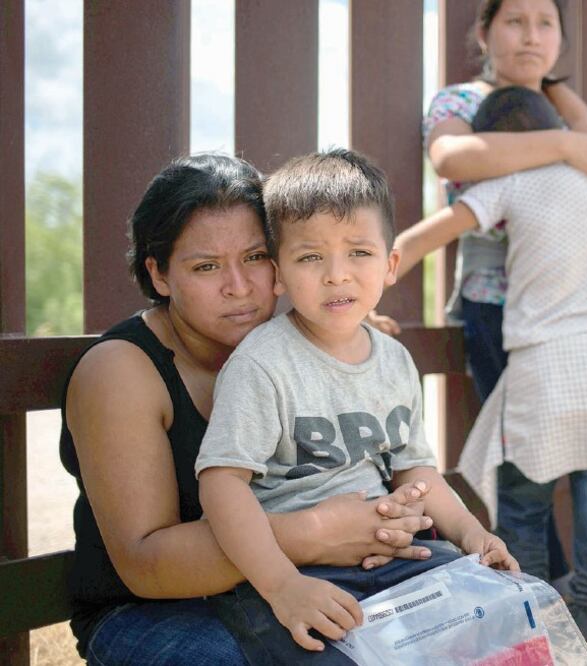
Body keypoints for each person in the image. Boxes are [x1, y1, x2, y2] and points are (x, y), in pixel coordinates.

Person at [59, 154, 435, 665]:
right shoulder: (121, 371)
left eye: (256, 257)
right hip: (154, 611)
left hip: (296, 583)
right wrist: (320, 532)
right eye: (206, 266)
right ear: (160, 274)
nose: (238, 287)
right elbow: (144, 566)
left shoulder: (305, 349)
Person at [195, 149, 518, 662]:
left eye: (359, 253)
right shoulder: (263, 363)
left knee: (499, 623)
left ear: (391, 265)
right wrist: (281, 587)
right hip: (298, 572)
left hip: (395, 557)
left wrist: (473, 534)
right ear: (278, 274)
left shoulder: (394, 360)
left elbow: (415, 469)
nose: (336, 275)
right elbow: (221, 483)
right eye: (309, 257)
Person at [399, 85, 587, 664]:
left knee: (524, 506)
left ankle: (530, 624)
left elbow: (431, 234)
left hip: (545, 370)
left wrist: (378, 265)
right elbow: (585, 126)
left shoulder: (510, 181)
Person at [417, 0, 587, 592]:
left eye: (545, 23)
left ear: (561, 36)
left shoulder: (566, 105)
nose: (530, 36)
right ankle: (547, 605)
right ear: (484, 32)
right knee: (525, 467)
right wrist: (562, 146)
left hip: (584, 313)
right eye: (514, 21)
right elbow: (452, 156)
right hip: (500, 305)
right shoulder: (461, 100)